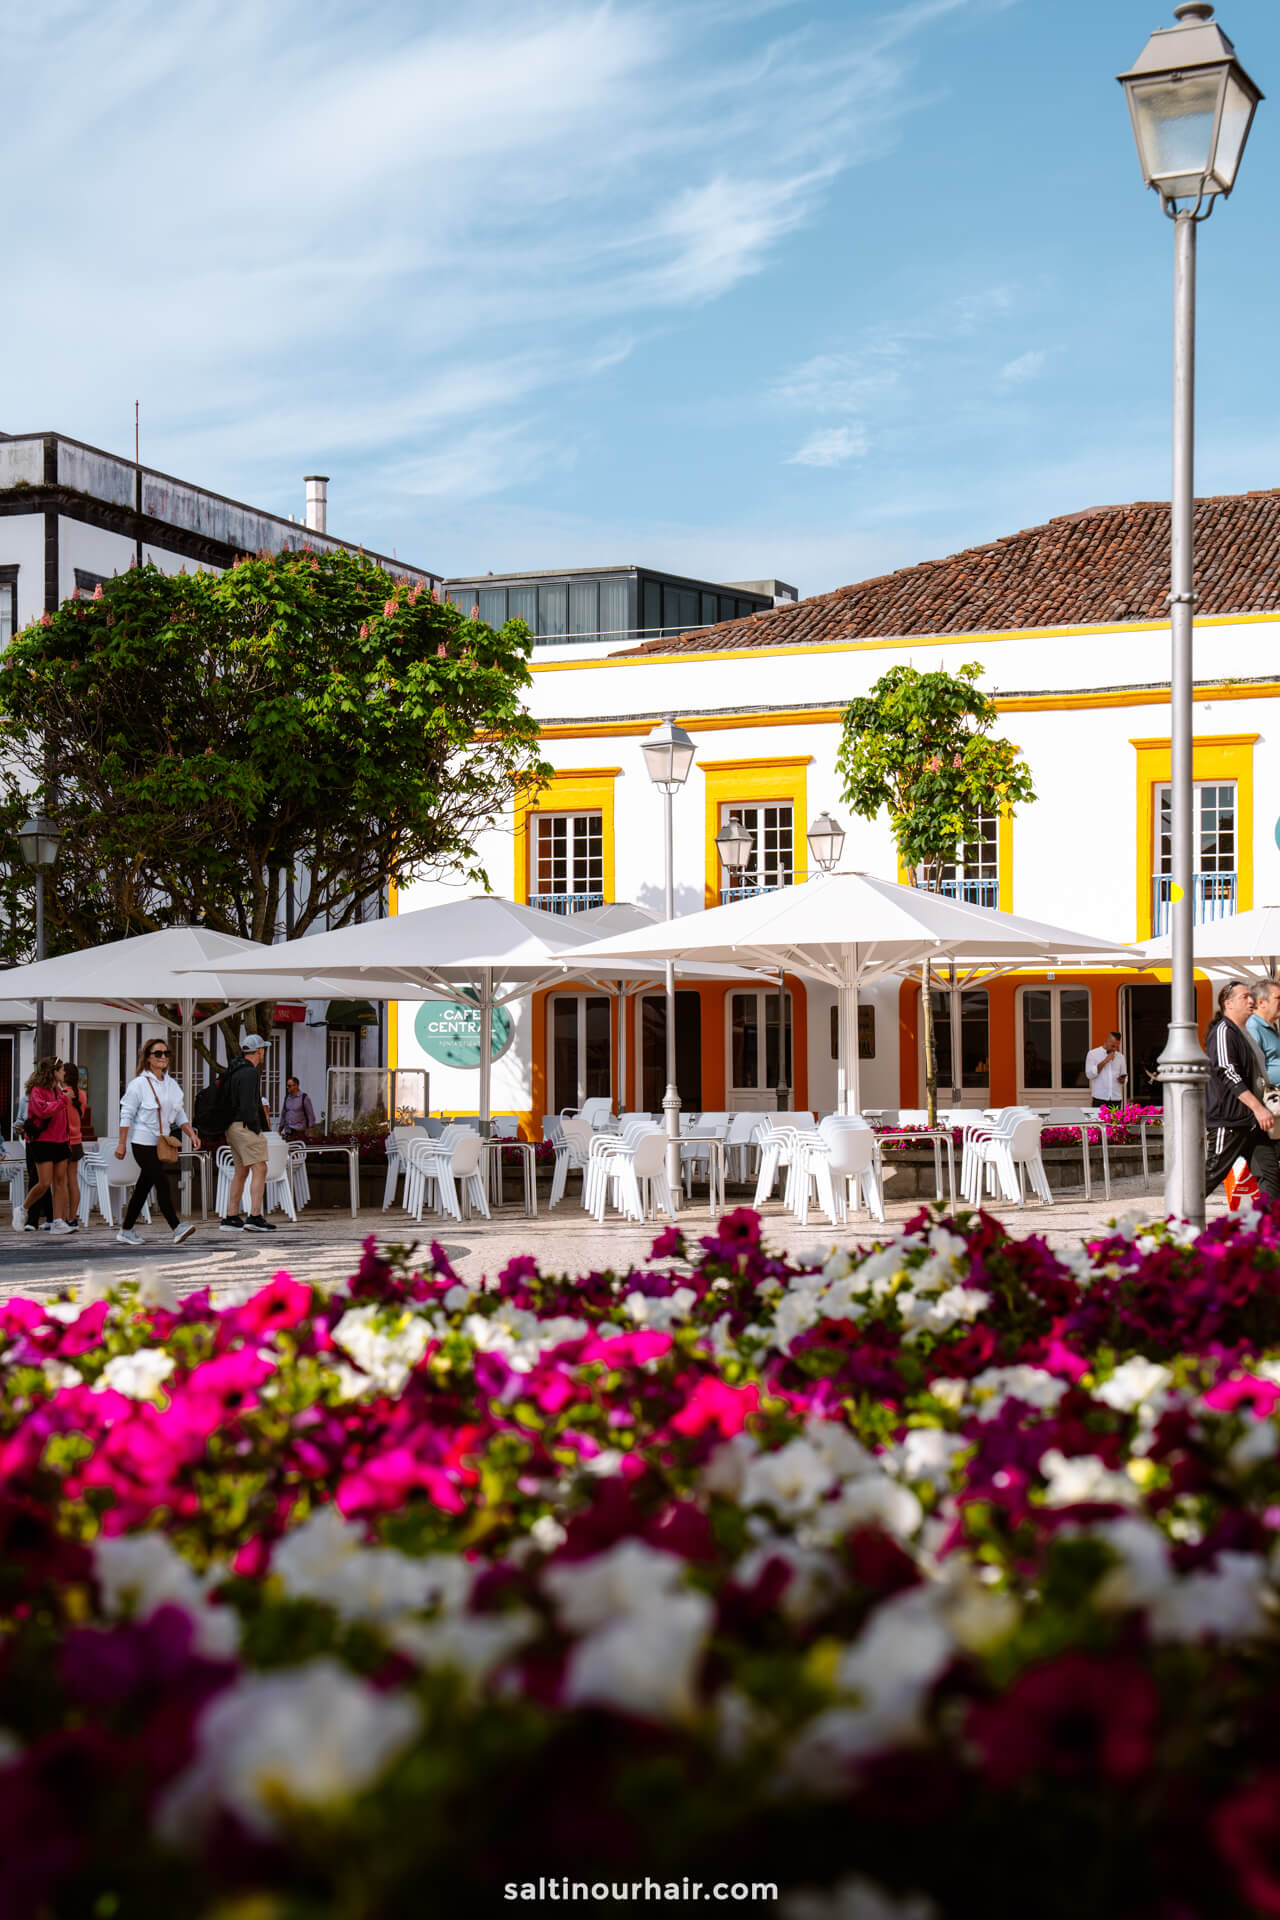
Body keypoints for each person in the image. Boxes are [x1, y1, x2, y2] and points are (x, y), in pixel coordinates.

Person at [114, 1039, 199, 1246]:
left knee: (144, 1187)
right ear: (148, 1058)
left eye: (166, 1053)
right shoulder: (139, 1084)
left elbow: (179, 1113)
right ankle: (176, 1226)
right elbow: (126, 1114)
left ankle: (126, 1230)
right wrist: (122, 1143)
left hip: (161, 1143)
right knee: (161, 1181)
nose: (163, 1057)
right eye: (158, 1054)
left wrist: (191, 1134)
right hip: (142, 1142)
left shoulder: (171, 1084)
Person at [1205, 979, 1280, 1201]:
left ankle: (1267, 1230)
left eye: (1251, 996)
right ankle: (1176, 1217)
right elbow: (1228, 1072)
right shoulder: (1223, 1030)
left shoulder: (1242, 1032)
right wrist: (1258, 1108)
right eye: (1244, 997)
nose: (1251, 1001)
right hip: (1228, 1121)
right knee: (1210, 1175)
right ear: (1228, 1004)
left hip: (1249, 1123)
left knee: (1270, 1174)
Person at [221, 1034, 276, 1234]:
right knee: (260, 1168)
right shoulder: (251, 1073)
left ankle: (231, 1216)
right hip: (245, 1126)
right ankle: (254, 1215)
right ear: (260, 1050)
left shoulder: (234, 1070)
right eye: (264, 1050)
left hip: (231, 1126)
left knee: (241, 1170)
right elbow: (249, 1104)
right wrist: (256, 1127)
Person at [14, 1057, 74, 1234]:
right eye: (62, 1070)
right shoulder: (37, 1091)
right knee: (44, 1183)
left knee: (60, 1182)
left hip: (60, 1141)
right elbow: (42, 1111)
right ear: (54, 1072)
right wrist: (63, 1100)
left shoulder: (59, 1090)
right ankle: (22, 1209)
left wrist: (67, 1140)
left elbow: (63, 1118)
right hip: (43, 1142)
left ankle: (57, 1221)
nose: (64, 1073)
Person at [15, 1067, 54, 1230]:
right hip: (31, 1142)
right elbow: (19, 1119)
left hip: (44, 1141)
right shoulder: (25, 1100)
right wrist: (18, 1127)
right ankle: (47, 1217)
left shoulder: (49, 1099)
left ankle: (33, 1219)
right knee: (39, 1180)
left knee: (38, 1179)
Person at [60, 1061, 90, 1226]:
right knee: (73, 1180)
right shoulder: (81, 1094)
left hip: (63, 1141)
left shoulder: (62, 1093)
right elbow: (82, 1115)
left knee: (61, 1182)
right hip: (77, 1140)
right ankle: (73, 1217)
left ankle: (62, 1217)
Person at [1246, 977, 1280, 1093]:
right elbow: (1253, 1070)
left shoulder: (1272, 1026)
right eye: (1278, 998)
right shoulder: (1253, 1027)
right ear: (1261, 1003)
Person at [1084, 1030, 1127, 1109]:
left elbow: (1124, 1076)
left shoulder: (1121, 1057)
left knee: (1115, 1121)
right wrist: (1105, 1061)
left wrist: (1122, 1080)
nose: (1115, 1049)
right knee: (1098, 1121)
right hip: (1099, 1098)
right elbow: (1089, 1075)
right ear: (1107, 1041)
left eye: (1117, 1046)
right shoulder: (1092, 1054)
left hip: (1116, 1098)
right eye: (1113, 1046)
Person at [279, 1076, 315, 1141]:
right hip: (288, 1131)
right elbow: (283, 1115)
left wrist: (310, 1131)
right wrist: (279, 1130)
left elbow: (310, 1115)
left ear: (296, 1086)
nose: (287, 1087)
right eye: (287, 1085)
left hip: (299, 1131)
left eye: (289, 1086)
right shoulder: (287, 1098)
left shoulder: (304, 1098)